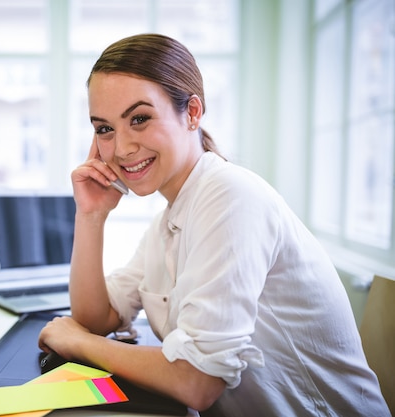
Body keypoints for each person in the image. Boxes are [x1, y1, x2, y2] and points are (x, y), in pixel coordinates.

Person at [37, 33, 391, 416]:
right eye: (104, 128)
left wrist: (77, 343)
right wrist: (91, 216)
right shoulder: (168, 222)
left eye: (139, 119)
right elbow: (96, 318)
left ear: (192, 113)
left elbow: (196, 381)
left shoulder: (231, 196)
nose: (120, 148)